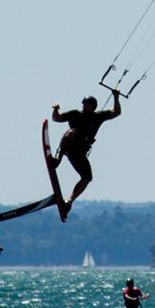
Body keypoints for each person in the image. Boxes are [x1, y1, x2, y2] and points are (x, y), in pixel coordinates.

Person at [50, 89, 121, 220]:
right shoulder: (75, 114)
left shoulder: (98, 117)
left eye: (89, 105)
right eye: (85, 104)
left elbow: (116, 112)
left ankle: (69, 202)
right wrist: (55, 109)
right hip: (68, 146)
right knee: (71, 132)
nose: (86, 107)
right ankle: (57, 160)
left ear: (94, 107)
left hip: (79, 152)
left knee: (87, 177)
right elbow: (57, 118)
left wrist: (116, 97)